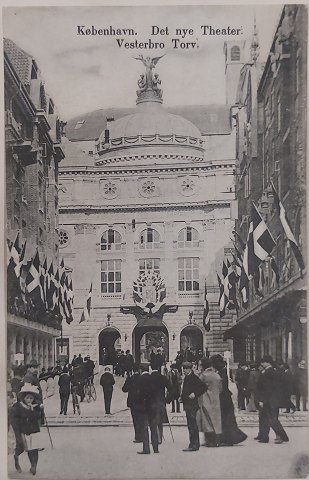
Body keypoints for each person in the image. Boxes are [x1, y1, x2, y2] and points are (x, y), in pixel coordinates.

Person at [211, 354, 247, 446]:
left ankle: (229, 439)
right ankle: (229, 438)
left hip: (224, 399)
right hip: (226, 399)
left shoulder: (220, 373)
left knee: (226, 420)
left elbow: (221, 388)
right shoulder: (222, 372)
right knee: (228, 420)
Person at [10, 383, 43, 475]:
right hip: (23, 431)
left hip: (34, 430)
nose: (29, 400)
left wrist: (35, 410)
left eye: (31, 398)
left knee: (34, 449)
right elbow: (14, 419)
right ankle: (16, 459)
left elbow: (39, 418)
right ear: (24, 398)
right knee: (22, 448)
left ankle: (33, 466)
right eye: (27, 398)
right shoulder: (17, 406)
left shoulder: (36, 407)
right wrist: (17, 429)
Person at [256, 355, 289, 444]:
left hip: (269, 399)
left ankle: (282, 436)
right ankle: (264, 436)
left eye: (263, 362)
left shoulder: (269, 372)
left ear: (267, 362)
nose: (262, 364)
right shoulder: (270, 371)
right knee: (267, 418)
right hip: (271, 399)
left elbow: (267, 388)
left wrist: (262, 400)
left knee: (272, 419)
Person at [181, 361, 207, 452]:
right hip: (188, 404)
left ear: (189, 369)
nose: (184, 370)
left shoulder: (193, 378)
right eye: (183, 368)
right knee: (190, 425)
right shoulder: (187, 377)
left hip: (192, 404)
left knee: (192, 425)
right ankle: (193, 444)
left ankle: (194, 444)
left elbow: (204, 387)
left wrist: (195, 394)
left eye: (185, 369)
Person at [196, 357, 222, 447]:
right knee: (215, 419)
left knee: (206, 421)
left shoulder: (203, 376)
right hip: (216, 400)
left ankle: (209, 440)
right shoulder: (216, 375)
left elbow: (198, 386)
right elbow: (220, 389)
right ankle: (216, 440)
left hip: (205, 399)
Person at [134, 365, 159, 454]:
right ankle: (156, 448)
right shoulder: (153, 379)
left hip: (144, 407)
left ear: (141, 370)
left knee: (144, 428)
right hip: (153, 407)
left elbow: (138, 394)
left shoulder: (140, 380)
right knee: (153, 428)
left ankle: (146, 448)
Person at [150, 368, 172, 444]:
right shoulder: (163, 377)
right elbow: (171, 388)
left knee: (153, 420)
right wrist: (167, 399)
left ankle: (155, 438)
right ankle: (160, 438)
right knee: (159, 420)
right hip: (161, 401)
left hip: (151, 401)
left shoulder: (149, 378)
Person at [122, 364, 143, 443]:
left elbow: (124, 389)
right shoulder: (142, 378)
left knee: (135, 419)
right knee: (141, 419)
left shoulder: (130, 379)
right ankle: (143, 436)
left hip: (133, 401)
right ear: (139, 370)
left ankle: (138, 436)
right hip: (141, 401)